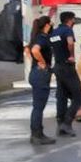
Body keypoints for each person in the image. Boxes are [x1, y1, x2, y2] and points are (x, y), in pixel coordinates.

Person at [49, 10, 81, 137]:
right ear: (70, 20)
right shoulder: (68, 30)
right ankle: (67, 122)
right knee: (78, 96)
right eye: (74, 19)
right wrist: (71, 56)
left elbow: (51, 47)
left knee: (62, 96)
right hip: (67, 67)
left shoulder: (54, 32)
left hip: (57, 66)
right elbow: (70, 43)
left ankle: (60, 124)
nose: (74, 21)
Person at [26, 15, 57, 145]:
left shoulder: (35, 37)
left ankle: (37, 133)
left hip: (35, 73)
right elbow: (34, 50)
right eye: (51, 25)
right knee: (38, 107)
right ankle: (37, 135)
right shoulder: (42, 38)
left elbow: (27, 50)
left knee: (37, 106)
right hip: (41, 75)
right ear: (47, 25)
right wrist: (42, 62)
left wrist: (34, 62)